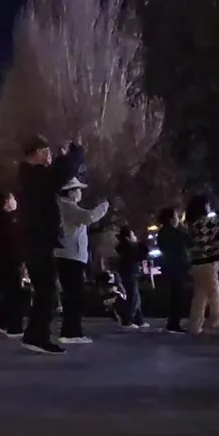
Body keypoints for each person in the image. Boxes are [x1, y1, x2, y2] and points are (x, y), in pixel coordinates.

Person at [17, 136, 86, 355]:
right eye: (47, 153)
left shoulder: (29, 176)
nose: (50, 158)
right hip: (38, 241)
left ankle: (35, 334)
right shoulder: (35, 176)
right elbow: (60, 173)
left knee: (44, 290)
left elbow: (55, 174)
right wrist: (76, 153)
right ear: (37, 153)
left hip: (36, 240)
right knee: (46, 290)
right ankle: (38, 336)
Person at [54, 177, 110, 343]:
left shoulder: (64, 206)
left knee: (72, 294)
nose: (79, 193)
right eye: (77, 189)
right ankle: (71, 333)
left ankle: (71, 331)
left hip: (69, 254)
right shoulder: (67, 207)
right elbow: (89, 217)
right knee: (74, 295)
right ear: (69, 192)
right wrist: (104, 206)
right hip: (71, 255)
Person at [186, 194, 219, 335]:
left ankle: (195, 325)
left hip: (197, 263)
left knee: (200, 296)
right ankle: (216, 324)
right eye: (207, 205)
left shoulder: (190, 224)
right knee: (214, 294)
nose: (209, 207)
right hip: (207, 262)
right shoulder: (203, 222)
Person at [0, 192, 26, 336]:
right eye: (12, 198)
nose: (15, 200)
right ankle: (13, 327)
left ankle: (0, 321)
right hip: (9, 263)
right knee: (15, 295)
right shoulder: (7, 222)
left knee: (11, 295)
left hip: (5, 263)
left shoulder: (0, 221)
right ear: (6, 203)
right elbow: (12, 243)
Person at [155, 207, 190, 333]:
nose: (178, 219)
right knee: (177, 296)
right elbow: (186, 241)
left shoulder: (163, 232)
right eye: (176, 216)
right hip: (176, 266)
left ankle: (173, 322)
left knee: (175, 295)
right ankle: (174, 323)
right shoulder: (173, 233)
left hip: (170, 266)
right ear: (170, 219)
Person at [113, 226, 149, 328]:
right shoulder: (130, 247)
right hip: (130, 274)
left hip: (126, 273)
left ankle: (138, 320)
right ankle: (127, 321)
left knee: (134, 297)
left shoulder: (122, 248)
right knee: (132, 298)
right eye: (133, 235)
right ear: (128, 237)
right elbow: (141, 256)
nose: (135, 237)